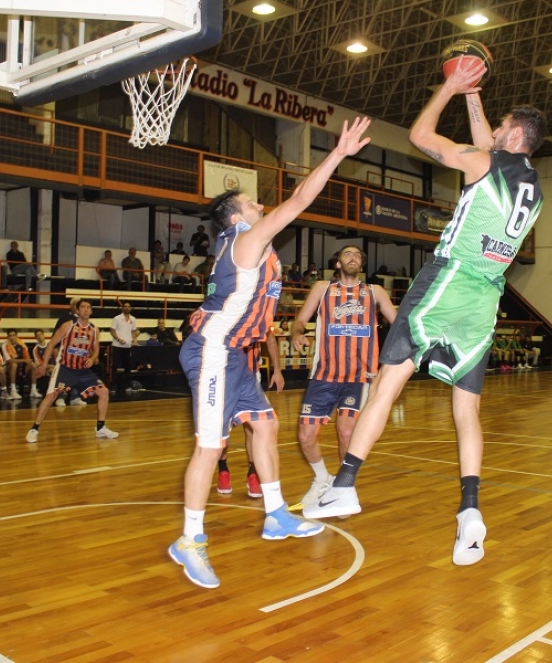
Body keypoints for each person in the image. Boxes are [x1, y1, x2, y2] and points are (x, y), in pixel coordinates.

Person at [303, 58, 547, 572]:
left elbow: (420, 136)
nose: (493, 129)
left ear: (515, 134)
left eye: (501, 125)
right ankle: (471, 511)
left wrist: (449, 88)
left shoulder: (485, 164)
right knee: (467, 411)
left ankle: (344, 485)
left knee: (387, 383)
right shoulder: (533, 187)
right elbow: (487, 146)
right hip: (485, 301)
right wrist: (473, 97)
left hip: (447, 282)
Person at [168, 116, 370, 590]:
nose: (262, 205)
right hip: (213, 351)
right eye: (251, 203)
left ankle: (276, 514)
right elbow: (300, 200)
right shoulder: (245, 239)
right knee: (210, 446)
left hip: (235, 353)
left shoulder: (247, 244)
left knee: (266, 423)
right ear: (237, 218)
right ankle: (190, 541)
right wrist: (337, 154)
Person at [290, 245, 397, 510]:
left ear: (361, 265)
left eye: (357, 256)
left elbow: (399, 323)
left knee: (346, 430)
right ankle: (322, 479)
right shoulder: (322, 289)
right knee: (305, 436)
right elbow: (299, 320)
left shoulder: (374, 292)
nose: (352, 257)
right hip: (324, 375)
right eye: (347, 254)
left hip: (358, 376)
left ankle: (342, 487)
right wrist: (296, 333)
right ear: (337, 263)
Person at [26, 301, 118, 443]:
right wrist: (44, 365)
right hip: (65, 368)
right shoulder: (68, 326)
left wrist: (93, 359)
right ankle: (34, 429)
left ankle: (100, 428)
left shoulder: (94, 330)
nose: (86, 310)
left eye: (88, 307)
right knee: (51, 396)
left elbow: (96, 349)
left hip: (82, 371)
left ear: (91, 311)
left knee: (103, 392)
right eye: (83, 307)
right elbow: (51, 344)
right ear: (77, 311)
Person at [216, 331, 285, 497]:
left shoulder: (259, 309)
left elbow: (270, 338)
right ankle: (223, 470)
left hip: (251, 376)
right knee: (222, 430)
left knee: (254, 428)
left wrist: (277, 369)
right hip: (225, 376)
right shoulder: (223, 311)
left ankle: (253, 473)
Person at [110, 301, 138, 393]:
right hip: (117, 345)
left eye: (128, 306)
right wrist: (118, 339)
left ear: (130, 308)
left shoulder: (133, 319)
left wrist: (134, 340)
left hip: (127, 346)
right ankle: (113, 386)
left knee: (128, 366)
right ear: (122, 308)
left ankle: (128, 385)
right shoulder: (117, 318)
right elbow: (112, 330)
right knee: (115, 366)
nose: (127, 308)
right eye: (125, 306)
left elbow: (133, 331)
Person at [3, 329, 39, 399]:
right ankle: (13, 390)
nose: (12, 337)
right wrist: (24, 360)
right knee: (14, 364)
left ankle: (33, 390)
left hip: (22, 366)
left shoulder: (22, 344)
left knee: (33, 365)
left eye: (13, 335)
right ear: (8, 337)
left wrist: (28, 361)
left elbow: (27, 358)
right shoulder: (5, 345)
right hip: (9, 367)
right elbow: (9, 360)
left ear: (16, 336)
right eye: (10, 336)